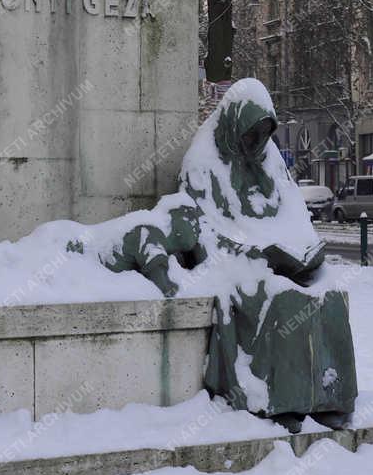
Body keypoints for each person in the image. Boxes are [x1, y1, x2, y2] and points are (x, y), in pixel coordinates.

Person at [108, 79, 358, 431]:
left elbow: (295, 216)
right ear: (234, 125)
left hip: (279, 260)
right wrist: (251, 252)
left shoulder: (271, 163)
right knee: (283, 299)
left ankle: (330, 395)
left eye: (263, 135)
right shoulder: (203, 164)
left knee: (328, 295)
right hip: (231, 264)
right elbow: (202, 232)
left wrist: (302, 250)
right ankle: (278, 398)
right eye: (250, 134)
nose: (256, 143)